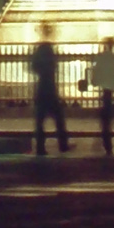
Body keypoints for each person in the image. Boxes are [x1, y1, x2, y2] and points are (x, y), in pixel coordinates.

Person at [30, 24, 70, 155]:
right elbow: (53, 67)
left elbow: (33, 67)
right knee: (58, 119)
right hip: (50, 89)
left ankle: (41, 147)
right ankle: (62, 145)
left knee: (40, 121)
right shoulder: (49, 52)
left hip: (42, 89)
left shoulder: (39, 52)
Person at [88, 37, 114, 156]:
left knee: (105, 114)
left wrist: (94, 81)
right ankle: (107, 142)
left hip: (104, 87)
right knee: (107, 114)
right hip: (110, 87)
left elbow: (96, 71)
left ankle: (105, 139)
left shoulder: (101, 57)